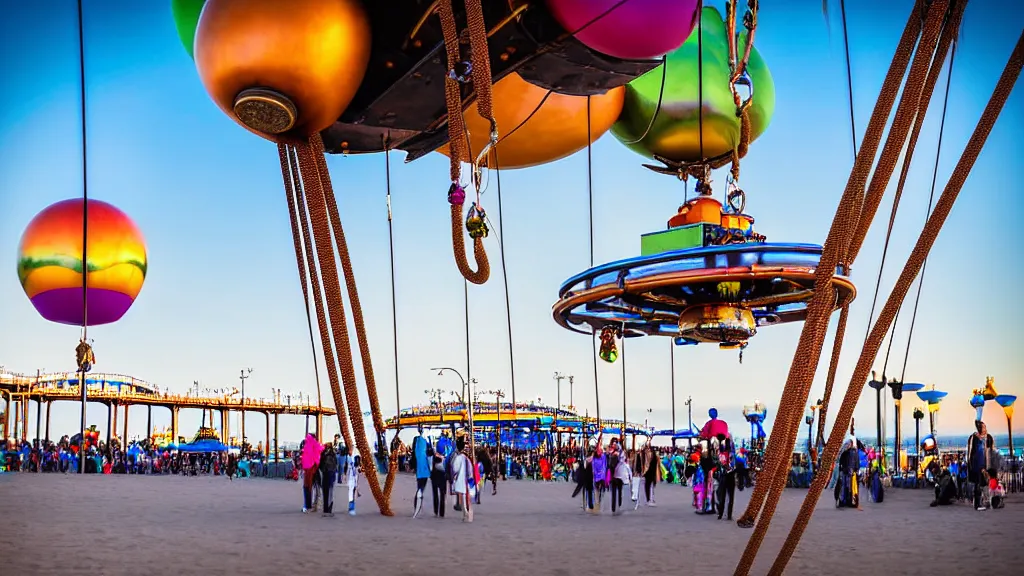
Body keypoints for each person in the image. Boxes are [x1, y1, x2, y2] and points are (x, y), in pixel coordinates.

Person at [966, 420, 993, 511]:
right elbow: (975, 454)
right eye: (984, 427)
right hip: (977, 466)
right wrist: (979, 467)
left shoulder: (984, 439)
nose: (985, 429)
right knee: (977, 485)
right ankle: (977, 504)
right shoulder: (976, 439)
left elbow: (986, 453)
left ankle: (980, 502)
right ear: (980, 429)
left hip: (982, 465)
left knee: (981, 484)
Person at [450, 437, 473, 523]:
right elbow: (470, 469)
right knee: (464, 496)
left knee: (462, 497)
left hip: (460, 479)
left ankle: (465, 512)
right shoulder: (466, 458)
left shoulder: (458, 458)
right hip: (466, 479)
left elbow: (455, 468)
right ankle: (465, 513)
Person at [411, 426, 431, 518]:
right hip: (424, 470)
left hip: (420, 471)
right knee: (421, 489)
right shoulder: (423, 443)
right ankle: (418, 507)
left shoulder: (417, 445)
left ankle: (417, 507)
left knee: (419, 488)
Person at [716, 434, 737, 520]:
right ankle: (729, 515)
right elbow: (734, 466)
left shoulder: (721, 455)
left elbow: (720, 463)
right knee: (730, 497)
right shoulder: (732, 455)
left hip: (723, 476)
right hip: (730, 476)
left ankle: (720, 514)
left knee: (722, 496)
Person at [300, 434, 322, 514]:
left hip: (310, 471)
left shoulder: (308, 446)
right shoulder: (315, 446)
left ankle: (308, 506)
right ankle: (314, 505)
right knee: (315, 488)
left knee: (308, 488)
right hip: (314, 470)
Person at [430, 440, 447, 518]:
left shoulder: (433, 456)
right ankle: (442, 512)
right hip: (442, 476)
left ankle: (436, 511)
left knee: (435, 494)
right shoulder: (445, 457)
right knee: (442, 495)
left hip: (434, 476)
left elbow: (430, 466)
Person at [320, 443, 338, 517]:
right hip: (329, 474)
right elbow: (335, 465)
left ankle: (326, 509)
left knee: (327, 492)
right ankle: (328, 510)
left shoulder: (325, 454)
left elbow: (321, 465)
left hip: (327, 474)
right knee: (329, 492)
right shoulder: (332, 454)